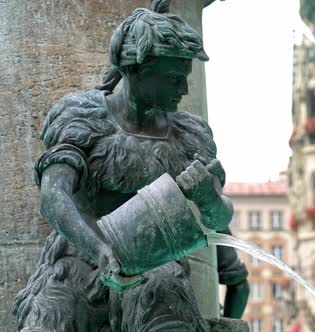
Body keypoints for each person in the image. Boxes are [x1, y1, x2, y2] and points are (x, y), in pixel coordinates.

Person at [12, 1, 247, 331]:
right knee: (48, 322)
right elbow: (53, 196)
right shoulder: (82, 116)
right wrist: (98, 248)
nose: (183, 89)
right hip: (79, 259)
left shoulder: (191, 135)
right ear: (135, 70)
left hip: (159, 265)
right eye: (173, 78)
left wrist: (209, 197)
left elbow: (220, 219)